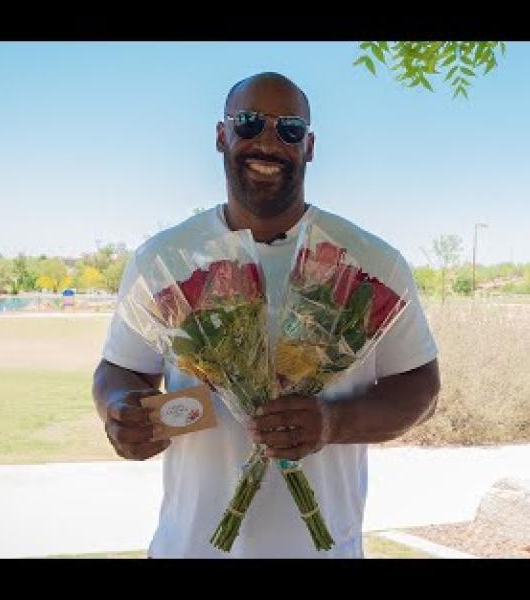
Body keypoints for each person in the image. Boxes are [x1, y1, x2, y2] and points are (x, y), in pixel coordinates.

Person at [92, 72, 440, 558]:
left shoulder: (372, 262)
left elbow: (421, 387)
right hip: (188, 547)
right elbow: (119, 369)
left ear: (309, 146)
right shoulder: (165, 259)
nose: (269, 142)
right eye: (250, 123)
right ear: (222, 135)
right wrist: (121, 409)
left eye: (290, 129)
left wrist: (332, 422)